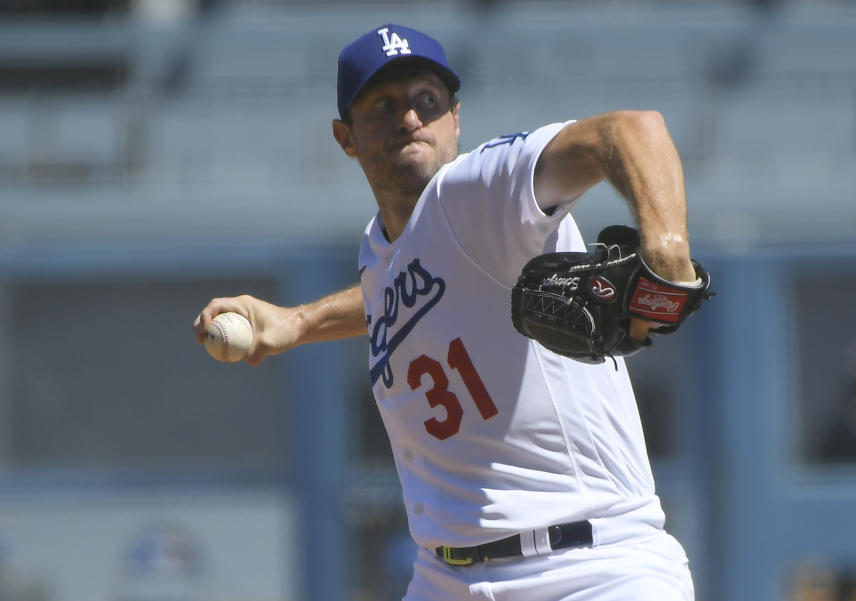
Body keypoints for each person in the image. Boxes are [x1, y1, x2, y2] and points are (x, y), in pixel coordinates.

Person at [194, 23, 698, 601]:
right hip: (446, 577)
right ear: (346, 137)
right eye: (383, 105)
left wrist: (667, 246)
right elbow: (406, 290)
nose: (409, 118)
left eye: (426, 101)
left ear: (455, 118)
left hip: (589, 569)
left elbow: (631, 130)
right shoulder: (381, 251)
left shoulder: (475, 189)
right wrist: (297, 323)